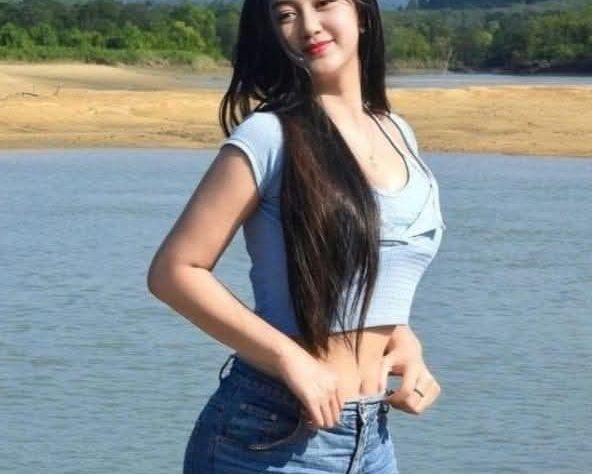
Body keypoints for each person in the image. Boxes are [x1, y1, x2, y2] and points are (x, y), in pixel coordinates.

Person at [147, 0, 446, 472]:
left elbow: (373, 268)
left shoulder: (398, 132)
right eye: (286, 14)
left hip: (371, 439)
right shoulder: (269, 136)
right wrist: (291, 359)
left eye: (323, 4)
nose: (308, 26)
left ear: (361, 13)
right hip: (269, 433)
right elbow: (174, 272)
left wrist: (403, 341)